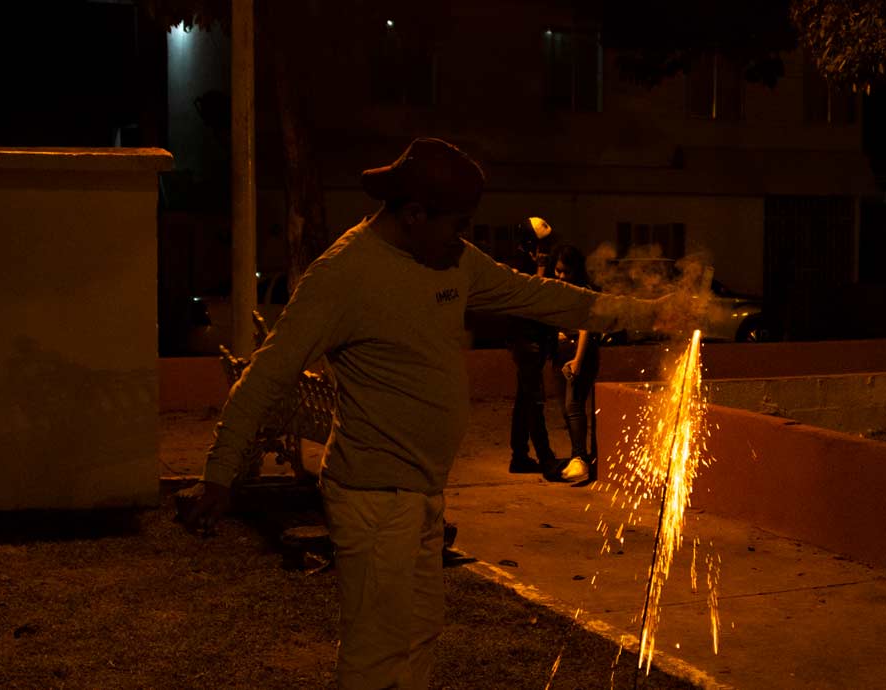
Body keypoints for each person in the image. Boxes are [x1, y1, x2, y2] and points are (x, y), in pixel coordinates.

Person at [177, 137, 695, 690]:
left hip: (421, 494)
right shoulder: (344, 276)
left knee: (419, 637)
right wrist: (219, 473)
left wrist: (649, 313)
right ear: (414, 214)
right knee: (375, 657)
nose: (465, 239)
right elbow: (266, 375)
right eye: (458, 223)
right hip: (373, 498)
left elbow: (542, 296)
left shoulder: (450, 259)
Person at [506, 217, 559, 477]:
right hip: (526, 343)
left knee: (524, 400)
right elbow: (531, 303)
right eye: (542, 244)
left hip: (531, 341)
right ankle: (546, 459)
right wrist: (539, 271)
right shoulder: (520, 267)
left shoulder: (534, 264)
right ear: (529, 243)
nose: (546, 250)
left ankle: (519, 456)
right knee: (535, 401)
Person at [550, 244, 600, 483]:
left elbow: (585, 327)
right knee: (564, 408)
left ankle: (581, 459)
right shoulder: (556, 290)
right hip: (560, 353)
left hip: (580, 354)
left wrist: (578, 359)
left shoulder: (583, 292)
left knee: (574, 405)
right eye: (557, 271)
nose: (560, 276)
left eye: (566, 272)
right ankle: (576, 455)